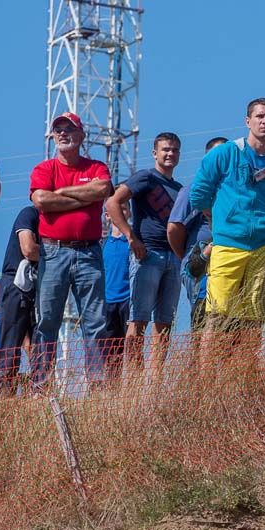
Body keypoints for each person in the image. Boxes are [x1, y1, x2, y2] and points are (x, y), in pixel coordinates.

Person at [188, 98, 265, 350]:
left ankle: (246, 372)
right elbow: (199, 194)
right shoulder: (226, 153)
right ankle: (208, 375)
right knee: (217, 317)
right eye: (259, 116)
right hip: (226, 246)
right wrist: (220, 220)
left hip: (262, 249)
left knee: (255, 321)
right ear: (248, 121)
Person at [29, 112, 113, 384]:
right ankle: (41, 384)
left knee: (95, 320)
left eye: (69, 129)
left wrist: (62, 193)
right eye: (58, 130)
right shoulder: (44, 169)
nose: (63, 133)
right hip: (53, 252)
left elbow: (102, 189)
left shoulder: (96, 167)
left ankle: (97, 383)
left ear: (81, 135)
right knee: (47, 320)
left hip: (89, 252)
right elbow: (41, 200)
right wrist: (83, 198)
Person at [105, 132, 184, 368]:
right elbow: (112, 202)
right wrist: (131, 236)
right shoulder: (146, 177)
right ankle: (134, 376)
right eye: (165, 149)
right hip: (148, 255)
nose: (170, 154)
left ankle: (155, 379)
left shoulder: (179, 189)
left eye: (174, 150)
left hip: (173, 258)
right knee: (138, 319)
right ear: (155, 153)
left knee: (165, 323)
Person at [168, 137, 223, 328]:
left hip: (228, 259)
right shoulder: (194, 190)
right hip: (201, 264)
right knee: (204, 317)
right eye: (216, 155)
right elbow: (174, 228)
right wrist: (190, 257)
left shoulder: (235, 190)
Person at [0, 205, 40, 393]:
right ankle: (5, 396)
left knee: (40, 344)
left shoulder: (54, 221)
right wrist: (57, 254)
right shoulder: (29, 214)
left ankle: (40, 393)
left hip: (39, 286)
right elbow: (28, 249)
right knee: (10, 345)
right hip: (16, 284)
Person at [101, 207, 131, 376]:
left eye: (124, 208)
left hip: (128, 300)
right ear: (107, 215)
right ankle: (113, 383)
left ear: (129, 213)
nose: (120, 211)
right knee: (111, 351)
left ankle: (134, 381)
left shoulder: (133, 241)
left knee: (132, 344)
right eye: (115, 208)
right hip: (108, 302)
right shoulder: (102, 244)